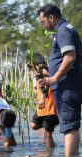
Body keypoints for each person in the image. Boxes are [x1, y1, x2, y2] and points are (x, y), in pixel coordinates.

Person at [38, 4, 82, 156]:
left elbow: (70, 58)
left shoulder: (63, 30)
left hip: (67, 86)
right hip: (69, 85)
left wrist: (53, 79)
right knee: (71, 124)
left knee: (69, 125)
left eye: (43, 22)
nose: (43, 26)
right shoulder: (65, 29)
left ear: (51, 17)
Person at [27, 52, 59, 148]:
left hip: (49, 106)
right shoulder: (41, 70)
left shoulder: (43, 69)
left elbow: (47, 76)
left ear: (33, 64)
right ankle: (51, 145)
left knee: (47, 135)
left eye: (31, 68)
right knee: (33, 125)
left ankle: (50, 152)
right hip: (43, 107)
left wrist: (42, 97)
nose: (31, 70)